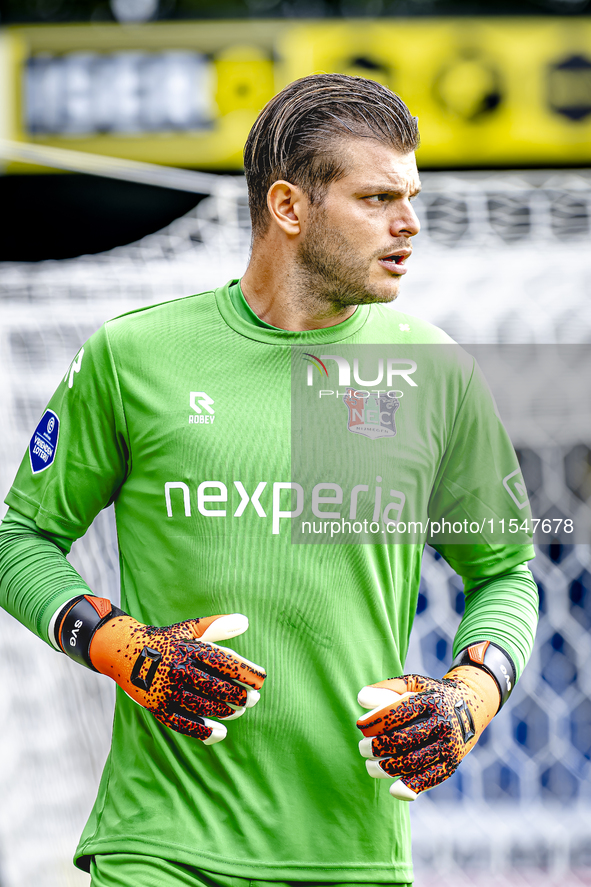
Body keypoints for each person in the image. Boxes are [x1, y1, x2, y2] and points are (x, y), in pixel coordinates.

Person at [0, 73, 538, 887]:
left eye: (410, 195)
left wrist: (473, 690)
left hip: (353, 846)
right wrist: (122, 648)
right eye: (375, 198)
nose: (409, 224)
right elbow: (20, 539)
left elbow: (504, 571)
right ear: (289, 208)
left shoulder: (431, 371)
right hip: (161, 844)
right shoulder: (133, 356)